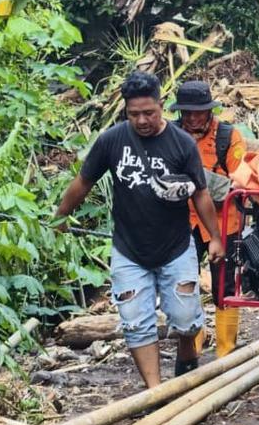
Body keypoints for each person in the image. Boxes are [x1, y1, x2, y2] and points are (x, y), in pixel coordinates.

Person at [55, 72, 223, 388]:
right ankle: (155, 393)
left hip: (176, 247)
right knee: (135, 323)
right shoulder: (112, 141)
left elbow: (200, 192)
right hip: (129, 250)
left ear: (161, 105)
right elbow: (84, 182)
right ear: (125, 111)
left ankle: (187, 353)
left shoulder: (182, 143)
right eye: (134, 114)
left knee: (186, 320)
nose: (142, 120)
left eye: (149, 112)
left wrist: (214, 237)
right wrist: (61, 215)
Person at [173, 80, 245, 358]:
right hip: (181, 221)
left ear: (209, 110)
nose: (192, 118)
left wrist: (194, 177)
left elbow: (237, 182)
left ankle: (226, 350)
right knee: (182, 281)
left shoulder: (228, 136)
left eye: (198, 112)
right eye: (187, 112)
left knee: (224, 283)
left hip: (223, 221)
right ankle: (193, 341)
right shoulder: (171, 133)